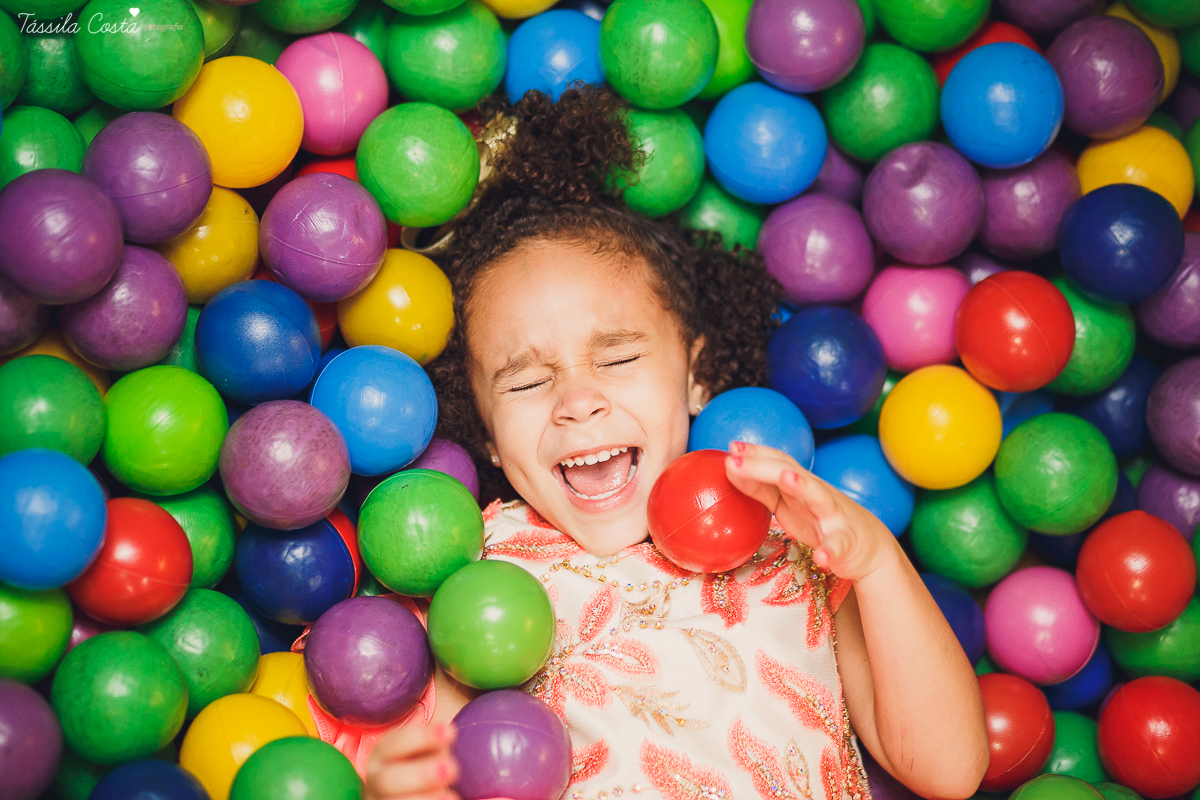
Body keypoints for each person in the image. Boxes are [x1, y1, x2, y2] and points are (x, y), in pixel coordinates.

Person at [363, 88, 989, 800]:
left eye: (619, 359)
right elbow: (427, 759)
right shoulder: (474, 565)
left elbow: (950, 768)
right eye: (528, 382)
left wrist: (874, 563)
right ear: (487, 438)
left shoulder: (792, 542)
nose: (577, 400)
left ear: (696, 378)